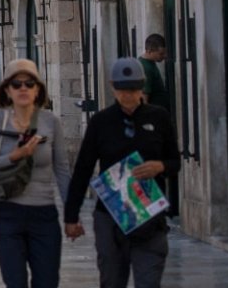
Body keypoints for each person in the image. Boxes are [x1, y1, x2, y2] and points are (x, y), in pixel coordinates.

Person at [65, 57, 180, 288]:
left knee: (149, 280)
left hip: (148, 213)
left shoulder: (159, 117)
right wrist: (71, 216)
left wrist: (161, 166)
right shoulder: (100, 122)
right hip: (110, 215)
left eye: (133, 88)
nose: (128, 95)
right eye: (122, 89)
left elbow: (174, 161)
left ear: (142, 86)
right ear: (112, 87)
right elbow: (83, 169)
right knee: (111, 279)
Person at [0, 59, 70, 288]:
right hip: (6, 214)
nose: (23, 88)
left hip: (44, 215)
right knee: (15, 282)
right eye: (16, 84)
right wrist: (13, 156)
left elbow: (62, 169)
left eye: (29, 83)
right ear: (7, 90)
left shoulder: (50, 121)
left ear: (38, 88)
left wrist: (72, 213)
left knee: (47, 282)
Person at [139, 34, 169, 111]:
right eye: (161, 54)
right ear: (149, 51)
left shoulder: (149, 63)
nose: (165, 56)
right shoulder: (146, 68)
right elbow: (144, 97)